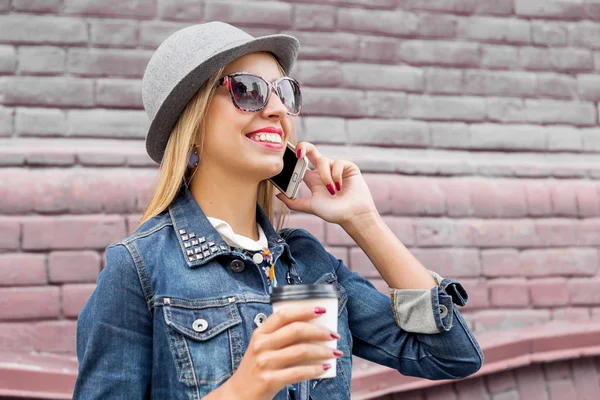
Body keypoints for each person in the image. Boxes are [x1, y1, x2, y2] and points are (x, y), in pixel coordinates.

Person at [73, 22, 483, 400]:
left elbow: (450, 355)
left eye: (283, 92)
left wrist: (362, 220)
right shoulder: (140, 268)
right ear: (192, 123)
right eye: (248, 90)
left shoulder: (305, 262)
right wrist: (243, 389)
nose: (276, 110)